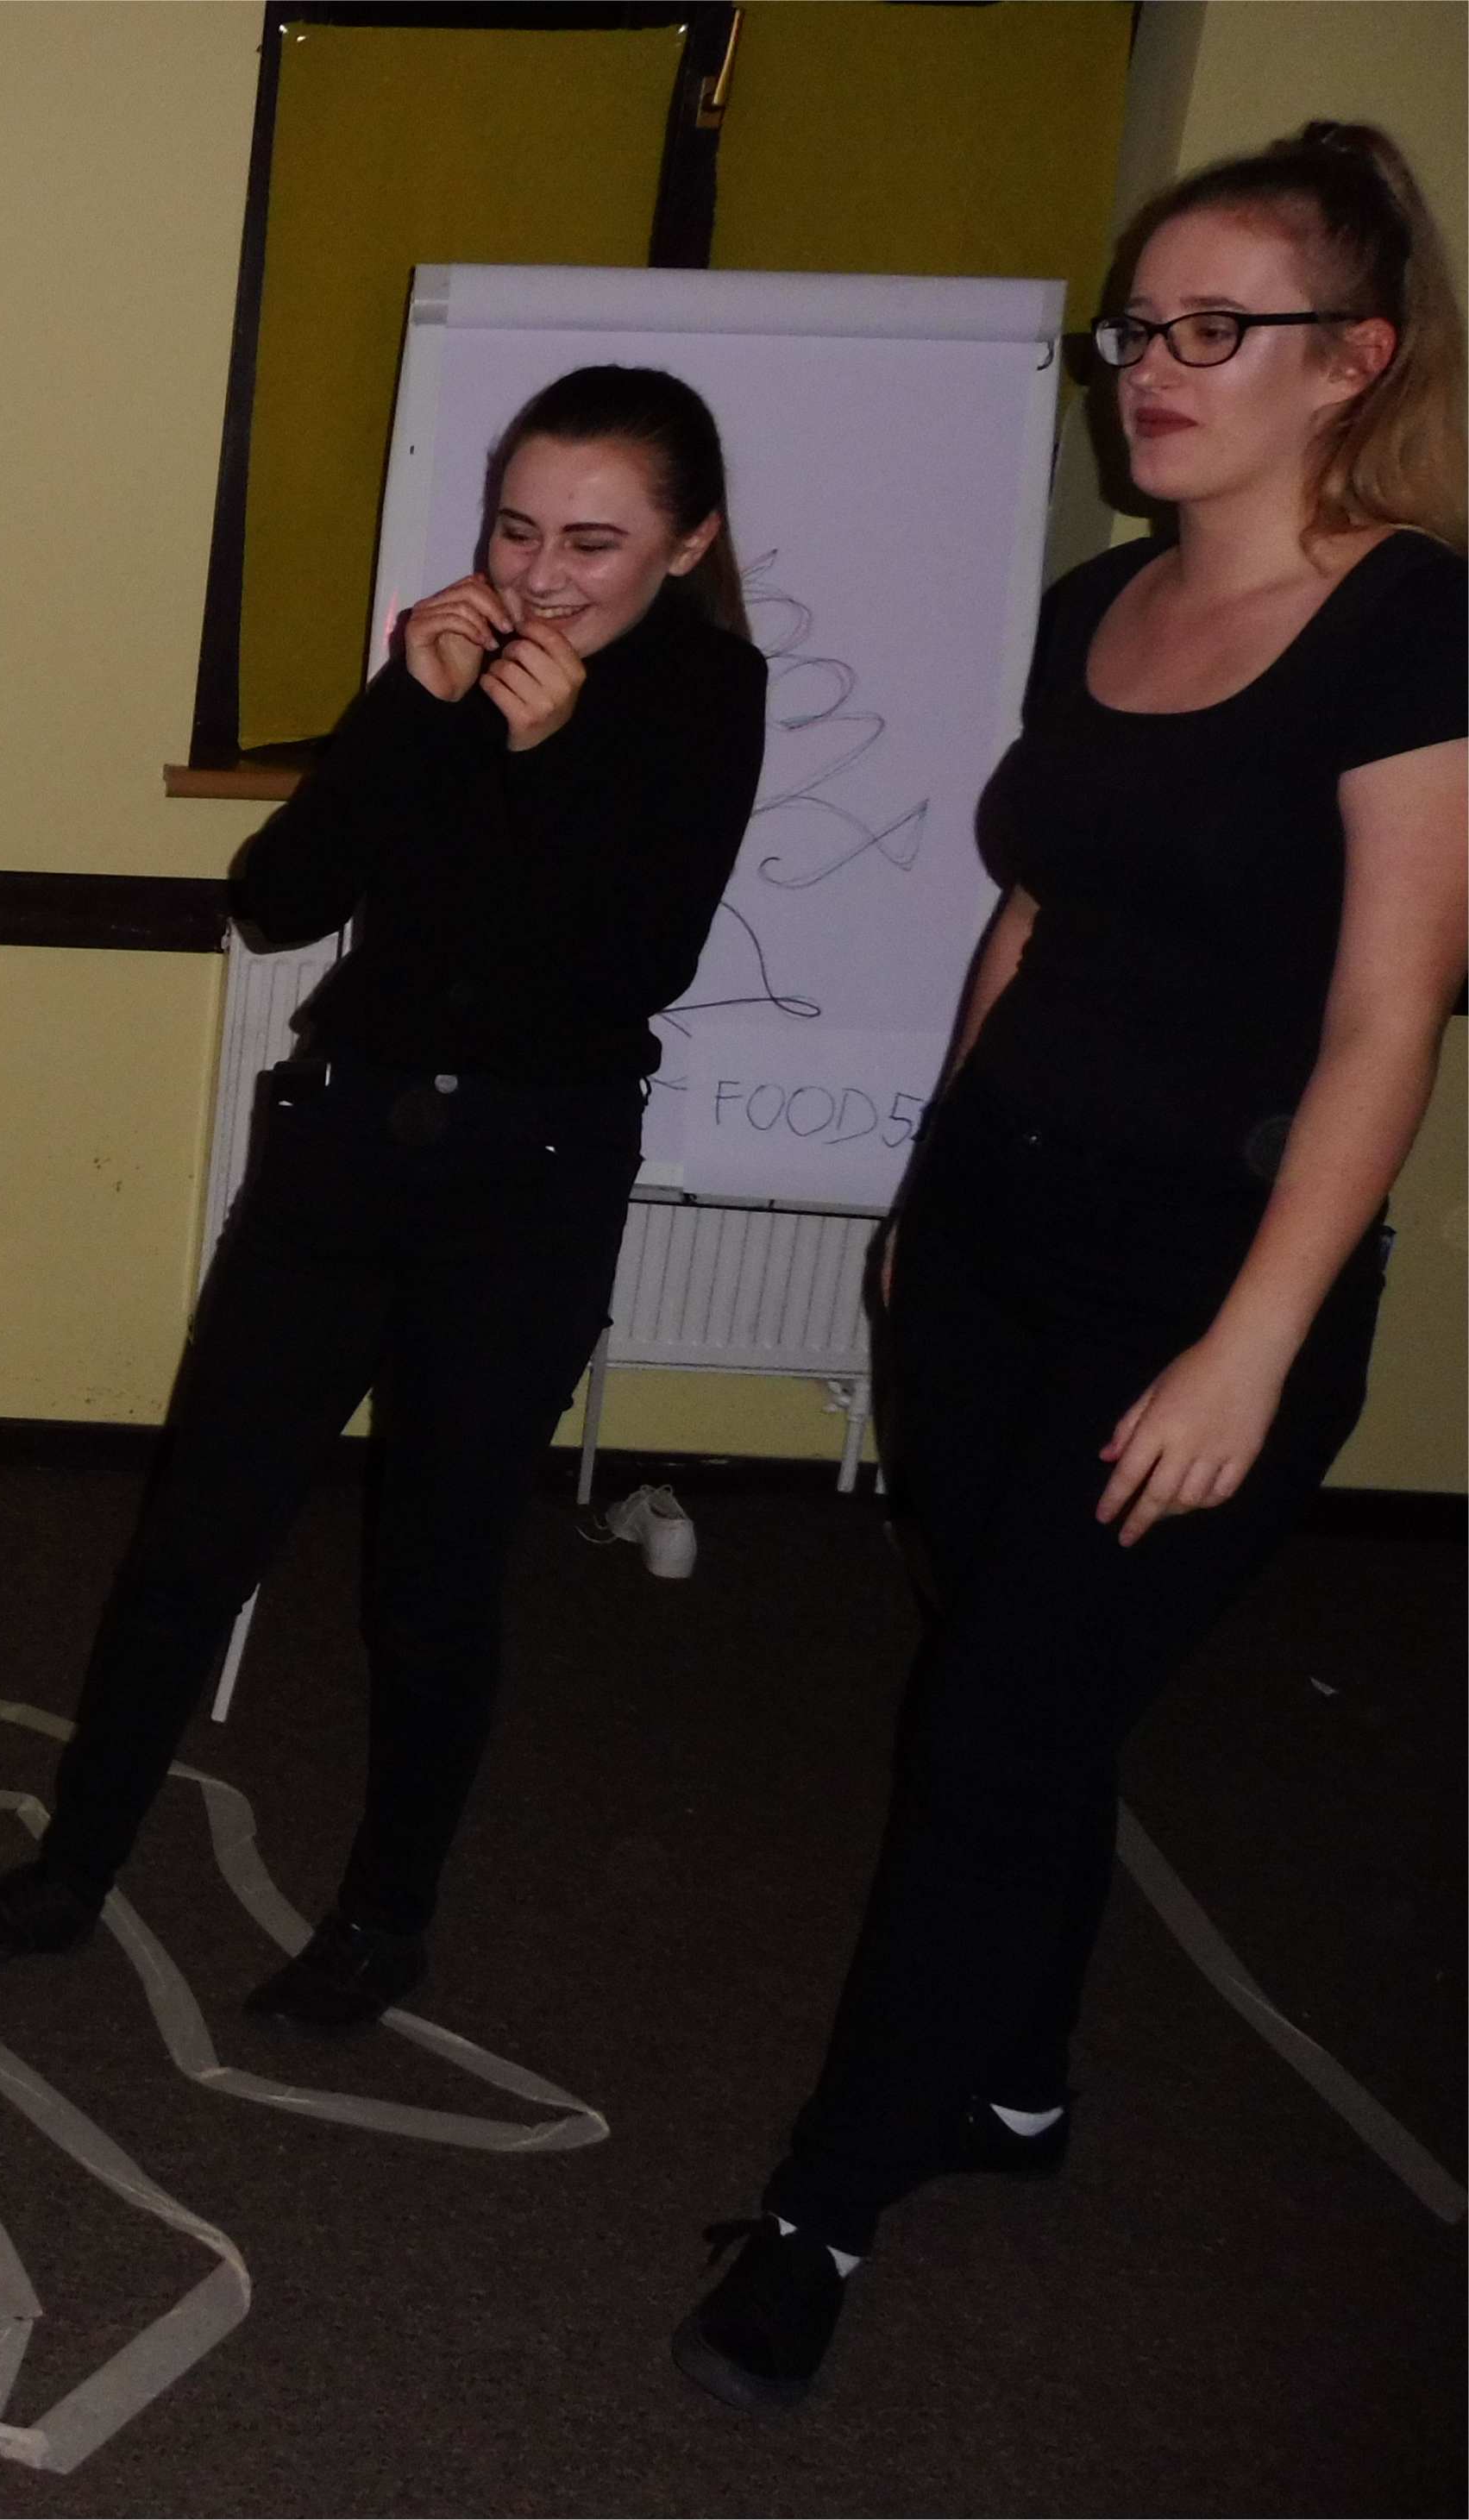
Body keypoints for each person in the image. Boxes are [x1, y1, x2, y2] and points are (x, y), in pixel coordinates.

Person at [675, 123, 1464, 2410]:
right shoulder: (1095, 604)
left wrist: (1253, 1345)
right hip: (997, 1237)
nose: (1153, 369)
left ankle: (825, 2204)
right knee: (1023, 1690)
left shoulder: (1413, 624)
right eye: (1139, 329)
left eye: (1217, 329)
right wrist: (928, 1196)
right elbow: (1030, 912)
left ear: (1353, 360)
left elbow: (1388, 1014)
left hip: (1198, 1279)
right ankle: (1015, 2082)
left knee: (992, 1726)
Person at [0, 368, 769, 2022]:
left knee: (436, 1569)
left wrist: (544, 755)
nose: (538, 576)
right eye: (515, 528)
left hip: (530, 1171)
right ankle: (71, 1865)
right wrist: (406, 706)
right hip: (347, 1136)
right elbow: (279, 897)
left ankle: (384, 1919)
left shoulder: (702, 695)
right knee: (198, 1531)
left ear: (688, 545)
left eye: (592, 542)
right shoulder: (457, 660)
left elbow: (627, 962)